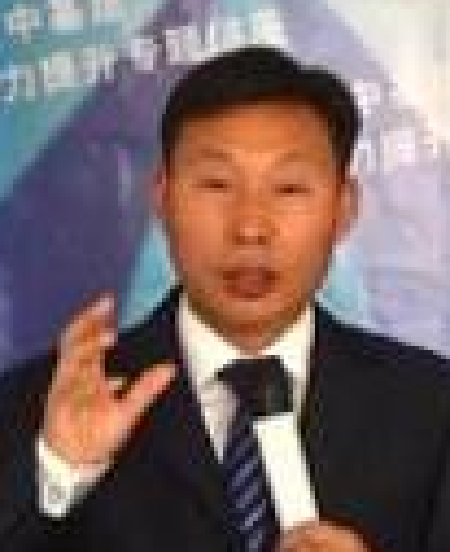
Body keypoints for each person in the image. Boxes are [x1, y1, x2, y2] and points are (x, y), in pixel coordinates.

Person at [1, 45, 450, 552]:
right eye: (216, 184)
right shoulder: (38, 408)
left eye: (289, 188)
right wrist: (60, 473)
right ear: (163, 199)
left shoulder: (430, 409)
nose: (250, 227)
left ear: (343, 209)